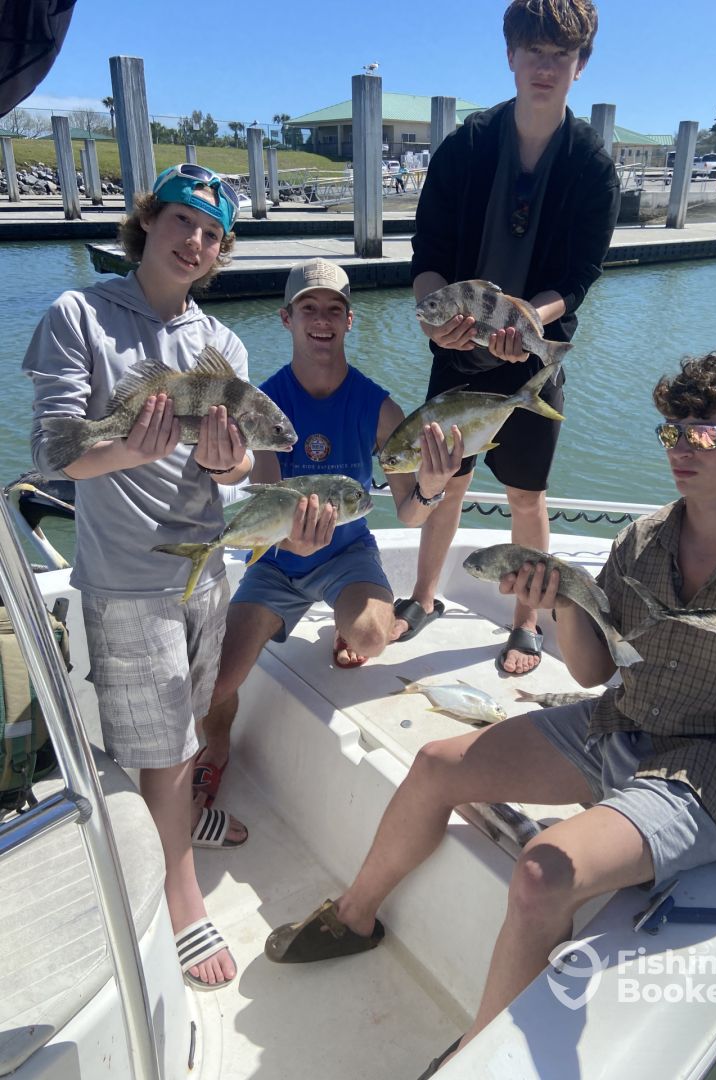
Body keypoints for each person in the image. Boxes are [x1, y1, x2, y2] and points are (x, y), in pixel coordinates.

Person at [263, 348, 716, 1077]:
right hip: (628, 720)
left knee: (542, 873)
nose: (682, 449)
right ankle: (354, 917)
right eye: (671, 432)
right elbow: (592, 672)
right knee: (435, 766)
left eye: (704, 433)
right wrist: (561, 607)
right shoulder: (642, 541)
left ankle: (476, 1056)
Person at [23, 163, 254, 991]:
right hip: (127, 578)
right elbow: (54, 453)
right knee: (161, 746)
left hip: (204, 569)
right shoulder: (78, 314)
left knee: (188, 720)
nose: (195, 242)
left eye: (213, 234)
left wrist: (229, 465)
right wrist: (128, 448)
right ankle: (181, 898)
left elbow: (238, 469)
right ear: (148, 221)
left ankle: (179, 821)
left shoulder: (222, 343)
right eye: (183, 220)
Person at [391, 0, 621, 677]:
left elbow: (578, 276)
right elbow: (428, 252)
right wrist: (433, 316)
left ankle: (526, 620)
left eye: (561, 54)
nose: (545, 66)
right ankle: (423, 596)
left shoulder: (591, 166)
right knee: (447, 481)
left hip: (532, 355)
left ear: (581, 64)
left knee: (527, 494)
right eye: (534, 51)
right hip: (456, 351)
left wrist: (530, 320)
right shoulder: (465, 147)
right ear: (510, 55)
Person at [194, 257, 463, 804]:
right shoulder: (265, 405)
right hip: (276, 563)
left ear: (349, 320)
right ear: (286, 318)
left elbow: (410, 513)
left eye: (334, 309)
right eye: (308, 308)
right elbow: (266, 500)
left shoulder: (380, 408)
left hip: (346, 554)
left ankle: (347, 624)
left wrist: (432, 487)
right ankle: (216, 748)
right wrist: (286, 540)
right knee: (216, 684)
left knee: (372, 637)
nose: (322, 319)